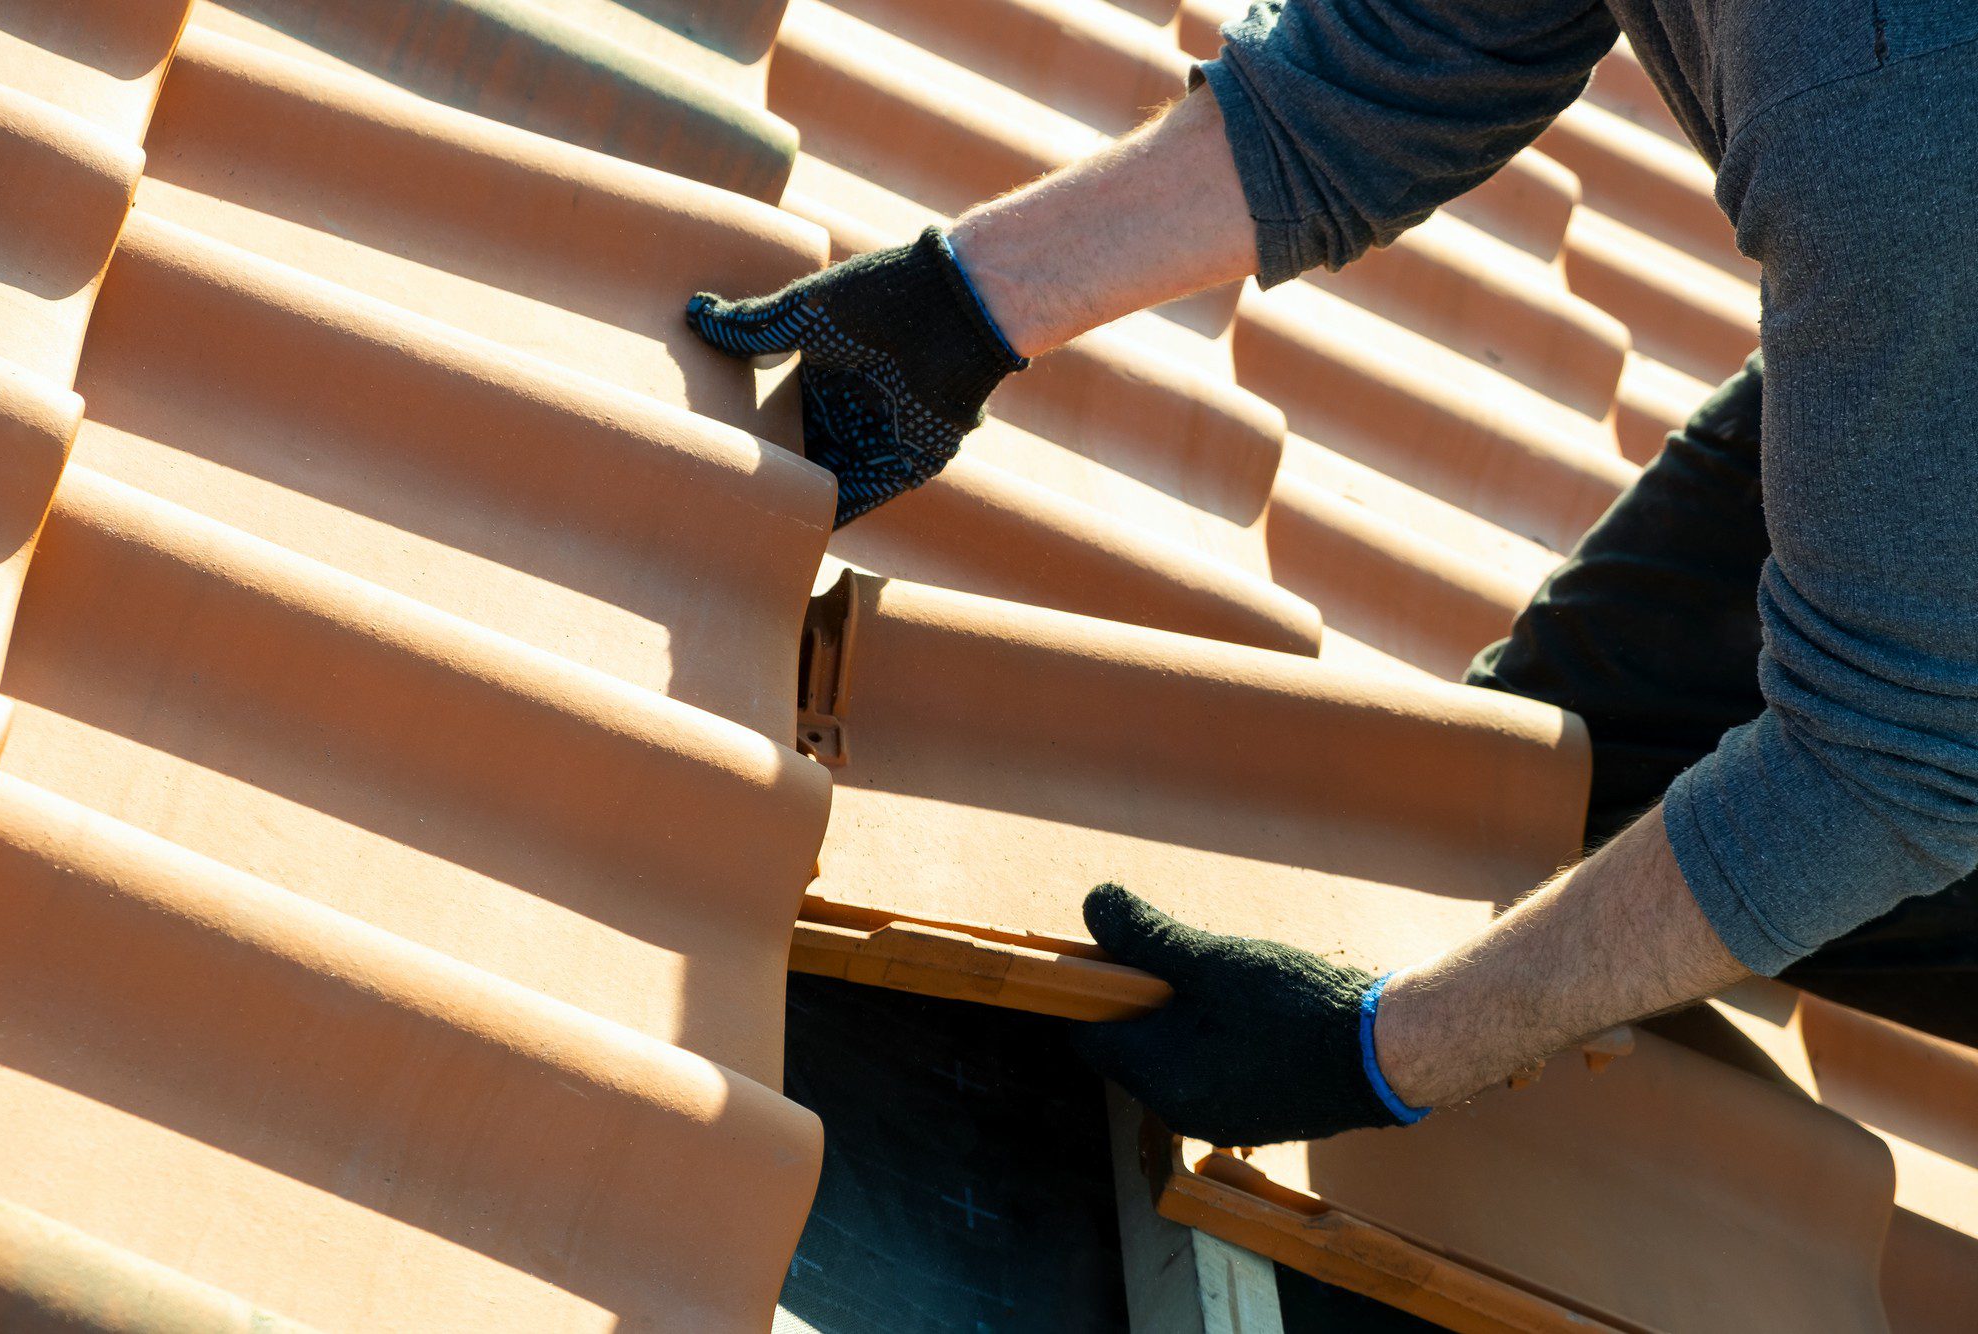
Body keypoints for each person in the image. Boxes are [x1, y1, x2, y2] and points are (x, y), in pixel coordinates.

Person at [688, 1, 1978, 1147]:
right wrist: (962, 308)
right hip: (1925, 280)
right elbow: (1426, 47)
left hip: (1923, 207)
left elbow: (1887, 761)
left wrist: (1377, 1054)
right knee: (1552, 778)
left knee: (1830, 823)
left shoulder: (1890, 118)